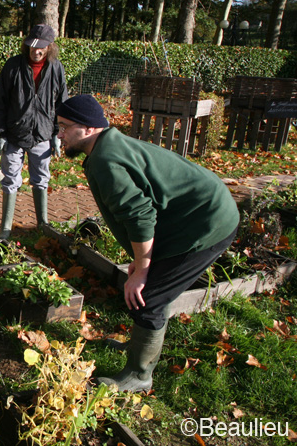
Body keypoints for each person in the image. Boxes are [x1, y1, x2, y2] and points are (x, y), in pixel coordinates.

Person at [55, 94, 240, 392]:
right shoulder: (108, 146)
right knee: (149, 288)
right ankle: (139, 350)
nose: (59, 134)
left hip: (208, 223)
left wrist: (142, 269)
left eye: (64, 127)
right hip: (192, 215)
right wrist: (144, 261)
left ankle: (139, 376)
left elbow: (139, 217)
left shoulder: (106, 161)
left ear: (88, 129)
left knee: (148, 298)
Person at [0, 24, 68, 239]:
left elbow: (62, 102)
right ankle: (5, 228)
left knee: (41, 177)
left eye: (41, 48)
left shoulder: (56, 68)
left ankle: (43, 224)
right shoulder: (13, 66)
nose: (37, 51)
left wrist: (58, 133)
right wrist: (0, 133)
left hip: (42, 133)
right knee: (10, 177)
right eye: (33, 47)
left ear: (50, 47)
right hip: (15, 132)